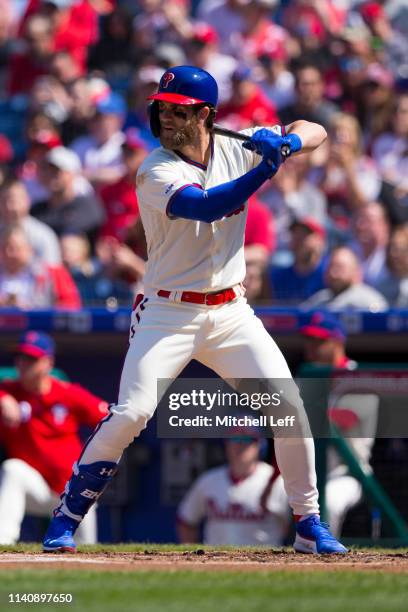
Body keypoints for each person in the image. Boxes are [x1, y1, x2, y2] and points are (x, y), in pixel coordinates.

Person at [43, 65, 347, 555]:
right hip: (167, 312)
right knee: (131, 413)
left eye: (179, 110)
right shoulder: (154, 168)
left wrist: (285, 143)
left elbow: (318, 130)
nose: (167, 116)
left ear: (206, 114)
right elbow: (206, 206)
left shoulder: (236, 144)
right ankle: (68, 515)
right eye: (162, 107)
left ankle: (308, 523)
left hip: (231, 310)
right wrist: (265, 169)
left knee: (290, 408)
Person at [0, 331, 109, 544]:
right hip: (38, 489)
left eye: (31, 359)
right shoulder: (9, 390)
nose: (23, 364)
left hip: (72, 492)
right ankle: (3, 543)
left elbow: (109, 417)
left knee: (86, 550)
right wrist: (3, 399)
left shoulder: (66, 393)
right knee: (12, 469)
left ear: (48, 363)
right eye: (21, 358)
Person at [299, 312, 379, 537]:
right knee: (277, 493)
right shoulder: (311, 379)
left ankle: (324, 560)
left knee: (329, 502)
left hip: (350, 474)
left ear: (337, 342)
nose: (312, 347)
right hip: (311, 473)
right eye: (309, 340)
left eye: (320, 341)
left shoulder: (360, 378)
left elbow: (343, 419)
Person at [177, 427, 289, 546]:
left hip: (262, 561)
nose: (240, 444)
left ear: (259, 444)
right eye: (235, 438)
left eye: (247, 439)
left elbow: (287, 528)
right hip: (215, 561)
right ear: (226, 444)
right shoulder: (209, 480)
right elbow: (186, 520)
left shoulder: (276, 482)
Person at [301, 246, 388, 311]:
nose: (333, 273)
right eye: (330, 267)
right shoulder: (320, 299)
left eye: (339, 268)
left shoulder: (369, 300)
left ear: (356, 272)